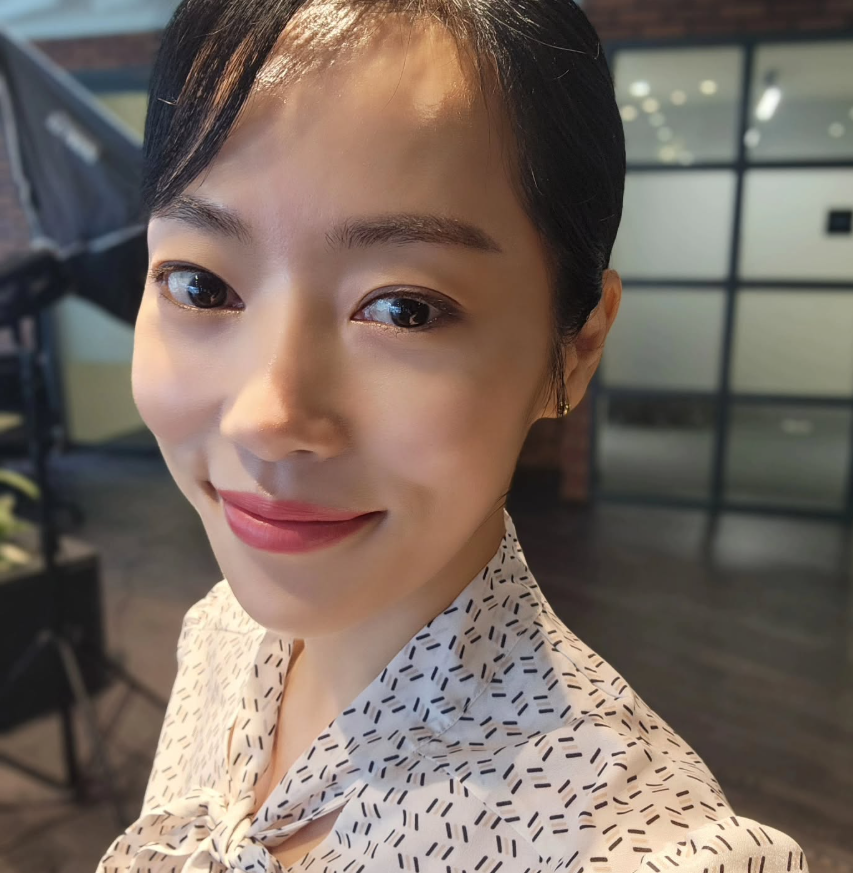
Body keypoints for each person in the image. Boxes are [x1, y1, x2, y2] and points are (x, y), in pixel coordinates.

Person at [96, 0, 810, 871]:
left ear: (575, 350)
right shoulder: (219, 633)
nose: (266, 418)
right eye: (201, 286)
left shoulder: (647, 849)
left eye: (405, 308)